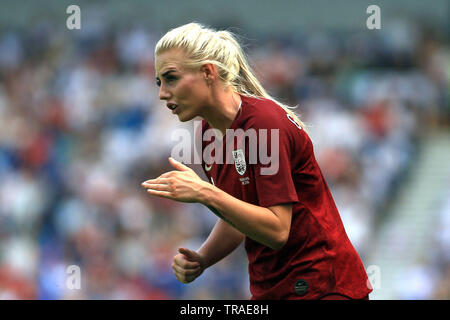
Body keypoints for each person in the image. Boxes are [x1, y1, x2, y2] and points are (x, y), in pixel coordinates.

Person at [142, 22, 372, 300]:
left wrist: (205, 192)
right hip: (272, 289)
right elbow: (240, 215)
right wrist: (203, 258)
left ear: (207, 72)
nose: (162, 93)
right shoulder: (206, 133)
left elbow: (277, 229)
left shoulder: (264, 124)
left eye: (171, 78)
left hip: (322, 286)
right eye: (159, 82)